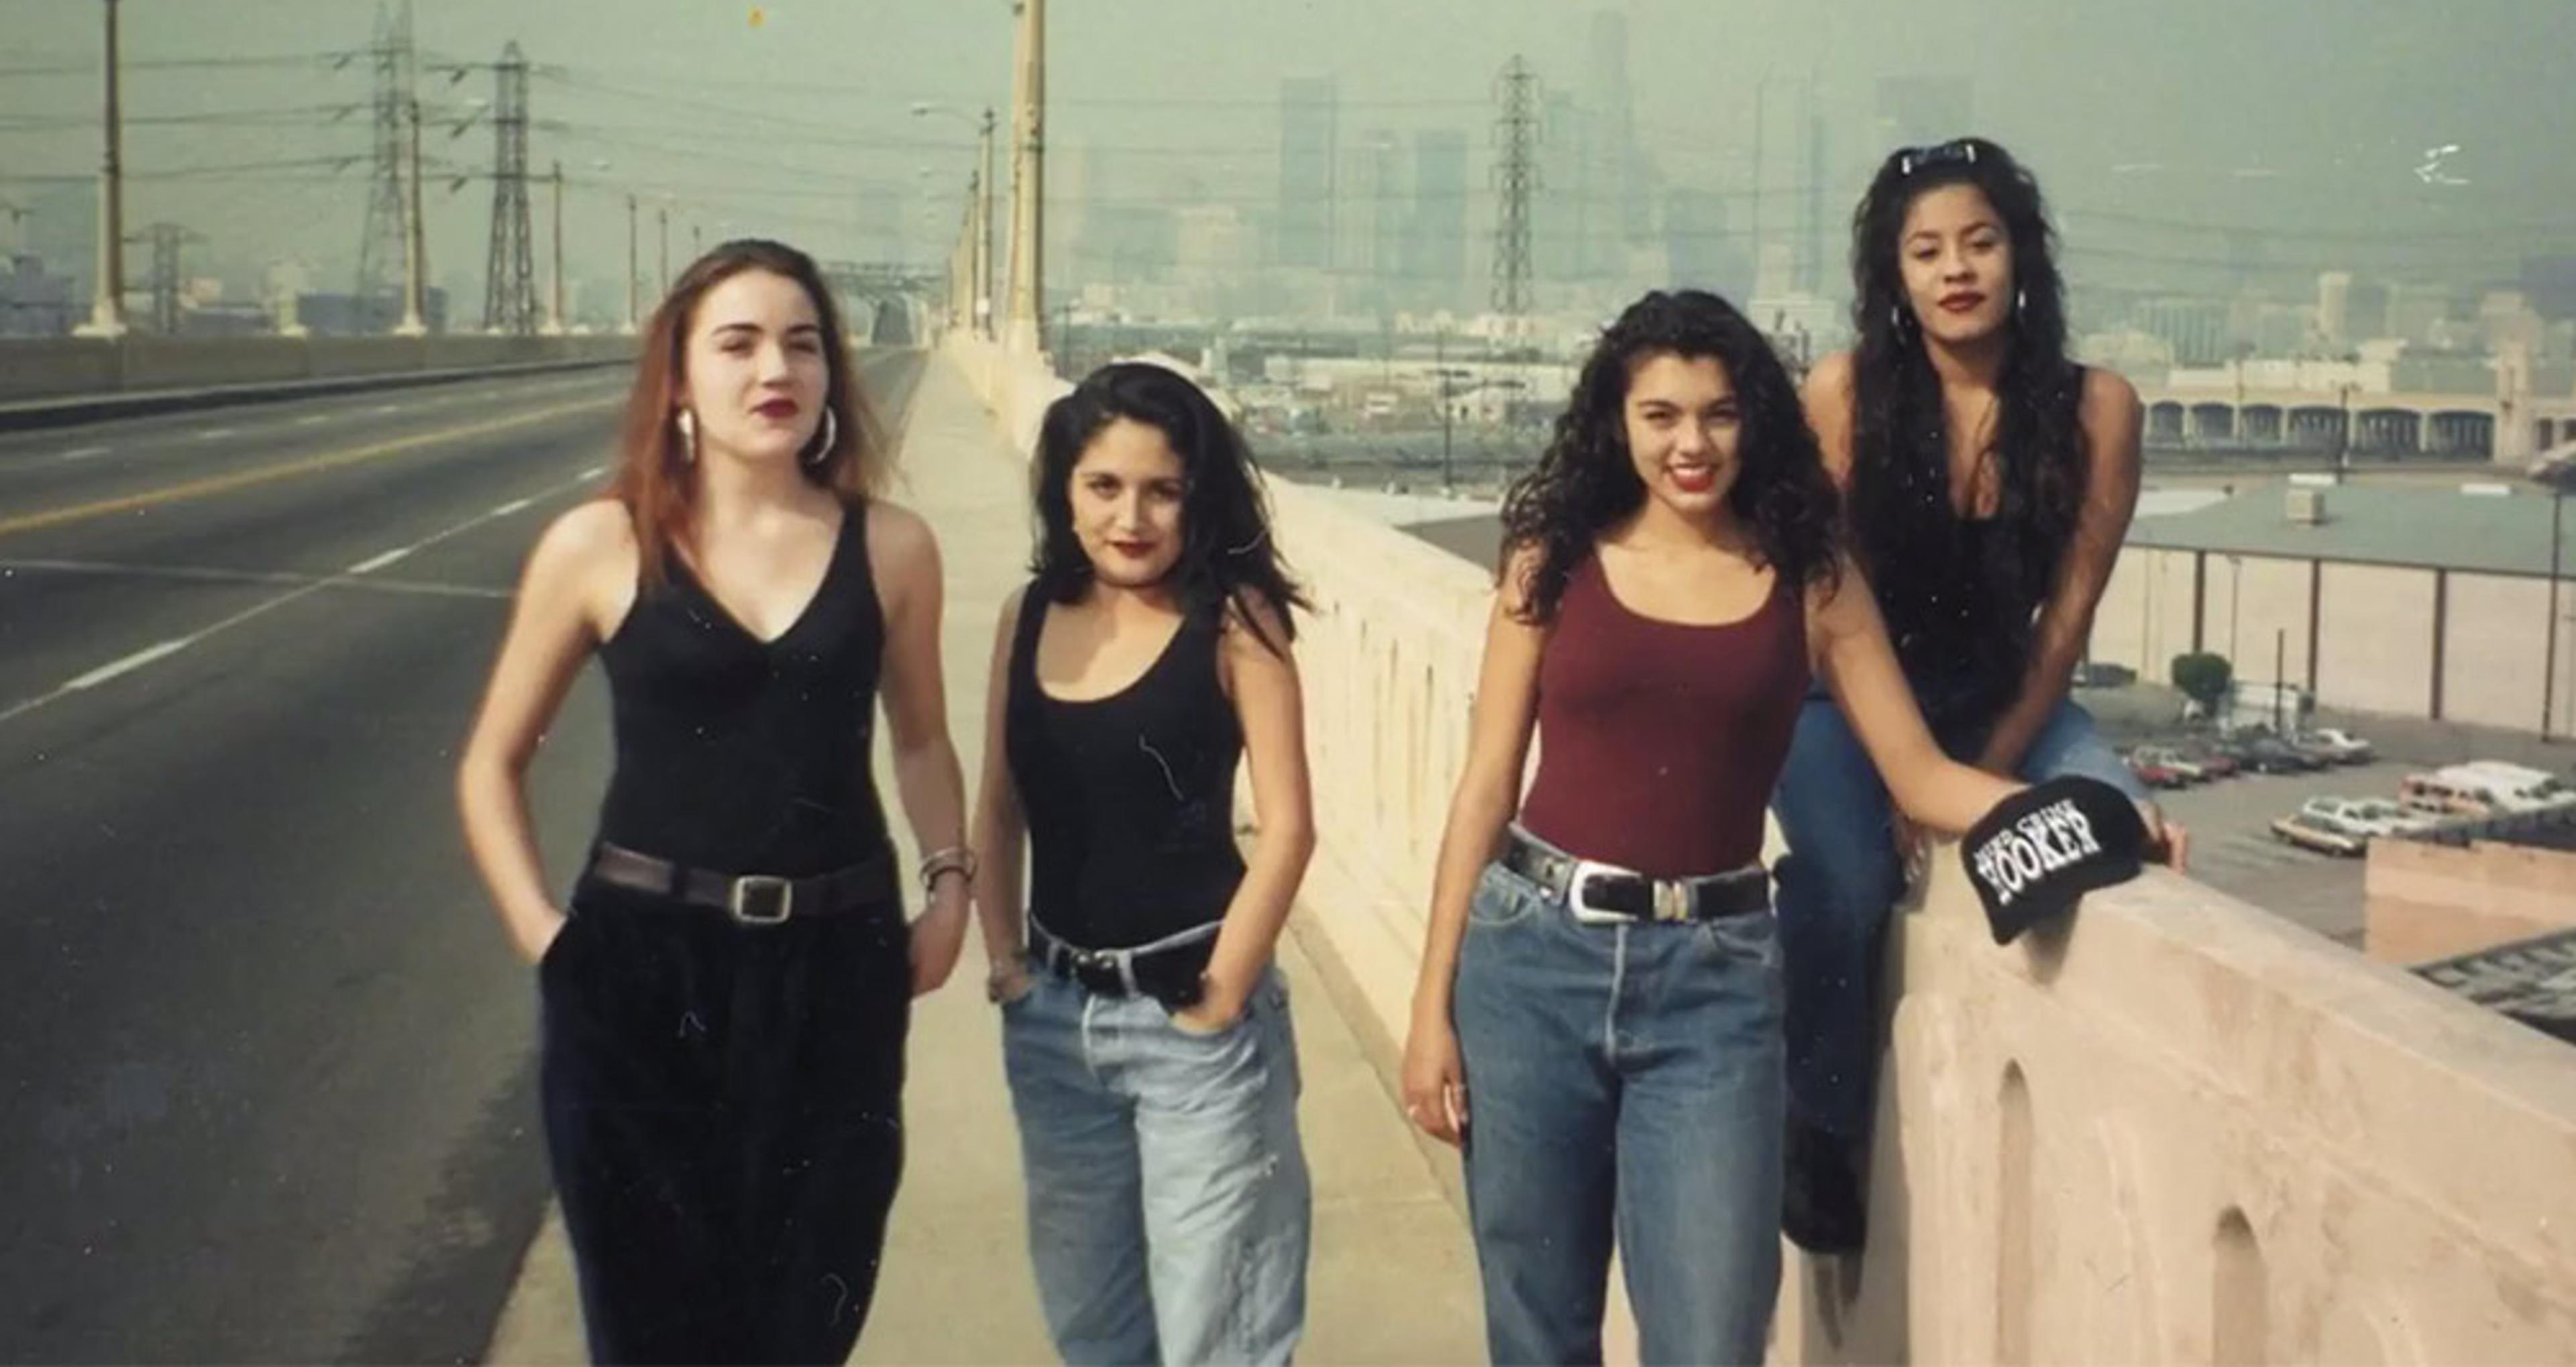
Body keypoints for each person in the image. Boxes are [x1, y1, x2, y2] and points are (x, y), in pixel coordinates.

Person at [1399, 289, 2060, 1366]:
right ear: (1618, 421)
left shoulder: (1811, 575)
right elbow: (1484, 786)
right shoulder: (1550, 558)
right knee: (1539, 1327)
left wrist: (2087, 813)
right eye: (1661, 416)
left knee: (1711, 1339)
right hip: (1529, 961)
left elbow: (1922, 774)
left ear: (1756, 419)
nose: (1690, 444)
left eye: (1718, 414)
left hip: (1715, 985)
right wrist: (1431, 1007)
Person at [455, 238, 971, 1364]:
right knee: (653, 1336)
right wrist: (551, 944)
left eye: (801, 343)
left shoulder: (892, 549)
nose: (772, 368)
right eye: (736, 343)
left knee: (806, 1324)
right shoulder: (601, 545)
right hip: (641, 974)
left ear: (833, 374)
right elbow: (491, 763)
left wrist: (950, 886)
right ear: (679, 378)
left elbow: (923, 738)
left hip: (836, 974)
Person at [1774, 137, 2181, 1254]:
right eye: (1927, 251)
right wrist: (1907, 769)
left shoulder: (2100, 408)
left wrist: (1985, 774)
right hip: (1845, 708)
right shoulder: (1844, 393)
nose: (1956, 269)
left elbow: (2069, 625)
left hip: (2013, 702)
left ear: (2021, 257)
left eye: (1980, 242)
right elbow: (1819, 602)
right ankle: (1815, 1123)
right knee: (1850, 883)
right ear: (1894, 276)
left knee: (2119, 833)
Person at [971, 362, 1316, 1366]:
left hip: (1196, 1034)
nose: (1132, 516)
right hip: (1054, 1027)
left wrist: (1218, 999)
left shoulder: (1239, 621)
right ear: (1065, 492)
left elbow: (1290, 828)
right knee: (1095, 1331)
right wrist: (1005, 960)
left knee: (1224, 1337)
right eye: (1104, 486)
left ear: (1196, 497)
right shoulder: (1026, 616)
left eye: (1162, 490)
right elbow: (998, 805)